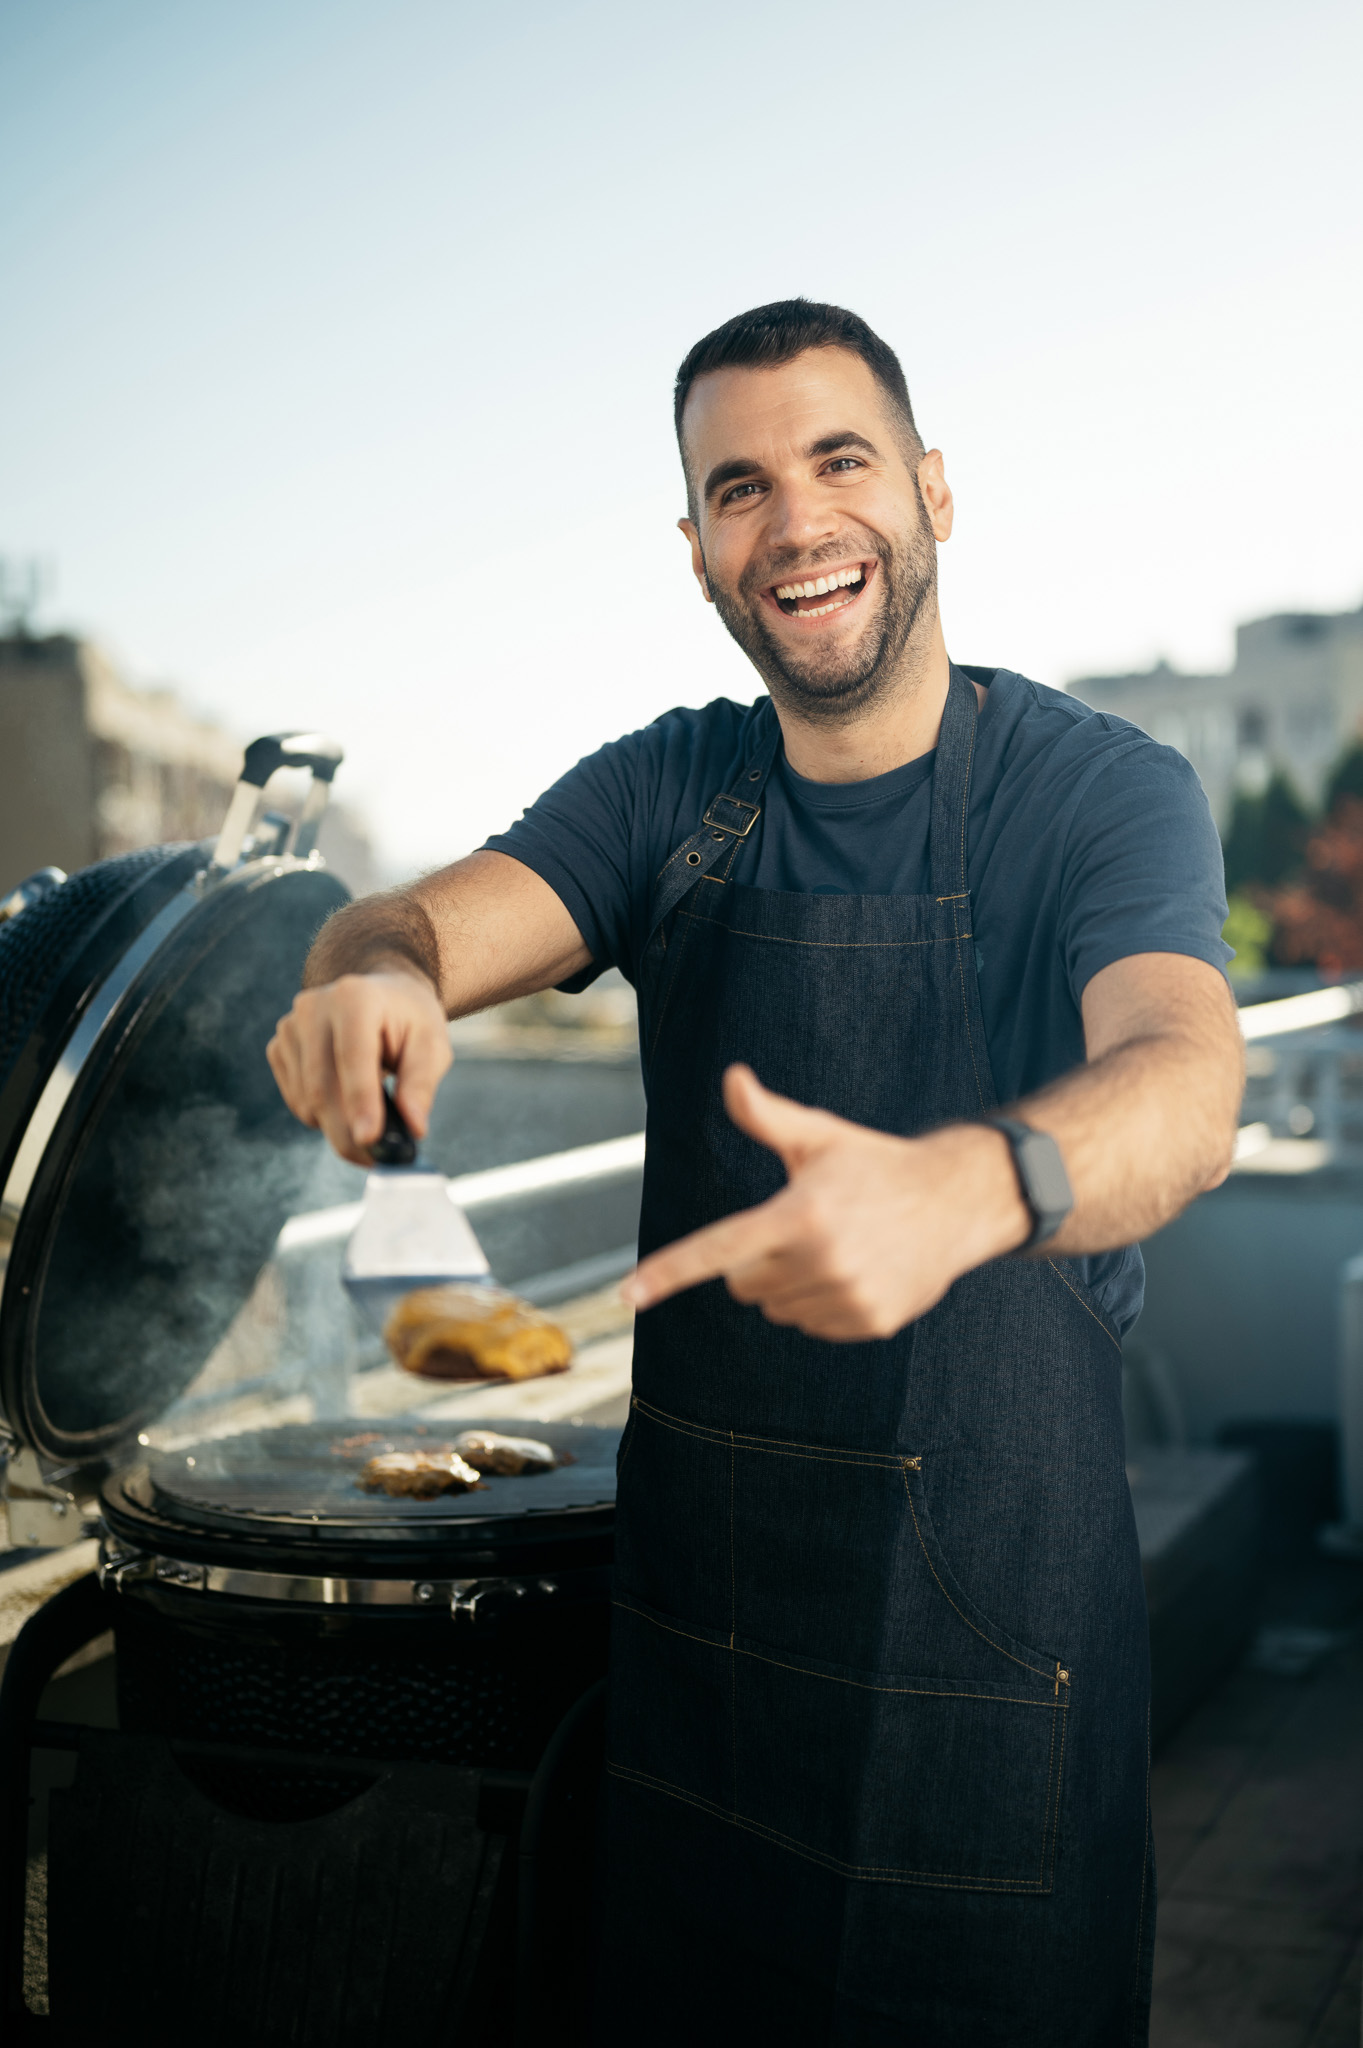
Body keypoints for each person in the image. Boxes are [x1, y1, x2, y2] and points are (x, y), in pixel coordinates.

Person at [268, 299, 1243, 2045]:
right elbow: (403, 921)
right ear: (699, 549)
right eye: (740, 488)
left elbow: (1185, 1080)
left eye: (839, 462)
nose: (795, 522)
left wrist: (972, 1187)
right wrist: (370, 979)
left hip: (993, 1685)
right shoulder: (670, 792)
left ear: (934, 491)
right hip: (704, 1685)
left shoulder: (1100, 796)